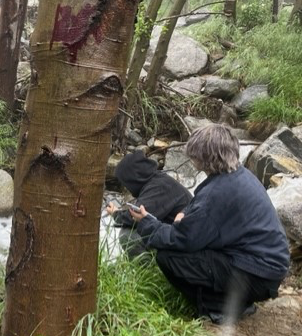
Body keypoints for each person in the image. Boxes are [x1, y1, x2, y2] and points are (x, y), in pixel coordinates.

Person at [129, 125, 290, 324]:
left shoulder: (217, 193)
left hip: (257, 275)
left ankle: (219, 309)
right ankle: (237, 302)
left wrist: (147, 223)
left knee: (168, 257)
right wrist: (185, 214)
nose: (191, 158)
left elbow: (182, 241)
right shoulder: (238, 175)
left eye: (194, 155)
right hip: (267, 269)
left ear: (206, 158)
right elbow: (202, 212)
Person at [106, 150, 192, 258]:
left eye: (125, 183)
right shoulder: (157, 180)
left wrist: (115, 213)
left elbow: (134, 217)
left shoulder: (159, 187)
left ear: (132, 178)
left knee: (128, 236)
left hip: (185, 243)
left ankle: (151, 270)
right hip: (178, 234)